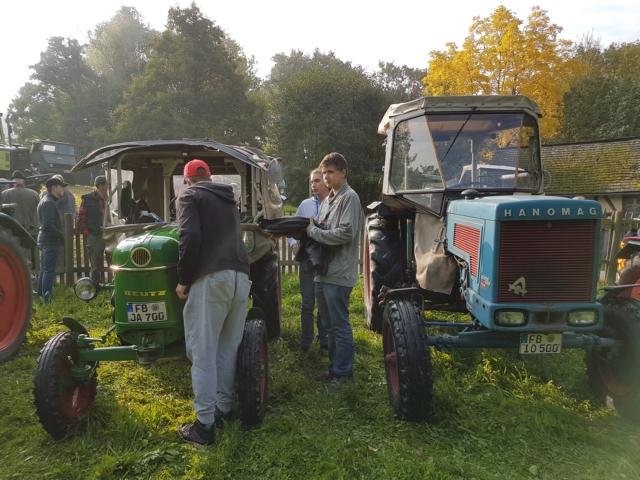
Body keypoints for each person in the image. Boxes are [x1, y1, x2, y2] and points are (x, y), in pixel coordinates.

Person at [175, 159, 252, 446]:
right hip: (241, 276)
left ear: (187, 180)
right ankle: (223, 408)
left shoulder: (189, 195)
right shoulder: (228, 198)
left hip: (212, 277)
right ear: (209, 176)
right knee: (227, 347)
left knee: (202, 351)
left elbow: (190, 235)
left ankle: (204, 426)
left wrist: (184, 279)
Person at [306, 152, 363, 386]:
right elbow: (324, 227)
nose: (326, 177)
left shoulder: (349, 198)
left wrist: (313, 231)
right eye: (324, 172)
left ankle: (343, 373)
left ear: (343, 173)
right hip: (323, 271)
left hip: (338, 273)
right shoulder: (329, 198)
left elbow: (345, 232)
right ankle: (333, 369)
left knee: (339, 325)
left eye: (330, 172)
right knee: (327, 325)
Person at [289, 169, 330, 351]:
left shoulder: (334, 204)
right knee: (307, 303)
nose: (313, 185)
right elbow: (292, 230)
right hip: (306, 261)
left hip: (326, 262)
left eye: (317, 181)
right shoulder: (304, 205)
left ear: (327, 182)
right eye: (312, 181)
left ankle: (324, 340)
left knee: (323, 303)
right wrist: (292, 244)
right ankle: (305, 341)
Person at [36, 176, 66, 302]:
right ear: (54, 188)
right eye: (61, 186)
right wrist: (60, 235)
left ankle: (41, 295)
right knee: (49, 270)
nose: (63, 189)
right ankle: (47, 298)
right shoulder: (49, 202)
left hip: (46, 239)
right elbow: (48, 224)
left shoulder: (47, 200)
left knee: (44, 269)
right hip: (50, 240)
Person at [77, 176, 108, 284]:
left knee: (109, 261)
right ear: (100, 186)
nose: (107, 187)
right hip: (94, 235)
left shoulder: (109, 199)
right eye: (105, 185)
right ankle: (94, 287)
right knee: (95, 264)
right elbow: (81, 216)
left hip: (108, 234)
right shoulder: (88, 199)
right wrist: (87, 233)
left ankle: (106, 284)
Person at [1, 170, 40, 238]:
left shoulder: (4, 194)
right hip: (31, 230)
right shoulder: (34, 194)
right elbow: (39, 211)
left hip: (12, 231)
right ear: (24, 181)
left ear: (12, 182)